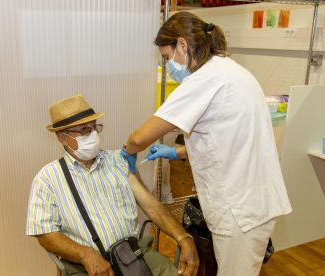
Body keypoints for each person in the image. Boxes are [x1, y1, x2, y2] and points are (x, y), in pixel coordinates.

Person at [121, 12, 292, 276]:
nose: (169, 65)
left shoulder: (205, 79)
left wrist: (127, 152)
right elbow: (226, 140)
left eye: (167, 57)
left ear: (182, 45)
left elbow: (140, 137)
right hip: (253, 200)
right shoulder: (230, 69)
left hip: (239, 208)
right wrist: (175, 151)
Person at [26, 94, 199, 276]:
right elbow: (45, 234)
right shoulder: (47, 179)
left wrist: (184, 238)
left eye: (94, 127)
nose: (93, 134)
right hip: (84, 265)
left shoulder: (119, 161)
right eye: (84, 130)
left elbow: (152, 206)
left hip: (133, 254)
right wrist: (85, 255)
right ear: (63, 138)